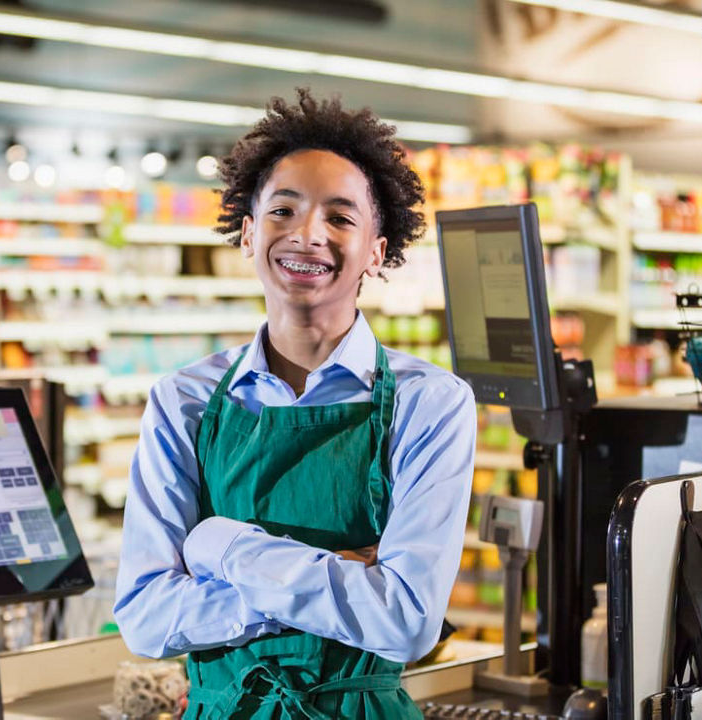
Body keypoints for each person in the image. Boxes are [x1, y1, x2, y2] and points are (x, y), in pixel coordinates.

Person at [113, 88, 476, 719]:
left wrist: (222, 549)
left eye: (340, 218)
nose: (308, 235)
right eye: (284, 211)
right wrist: (337, 580)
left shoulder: (431, 404)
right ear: (249, 233)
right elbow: (145, 618)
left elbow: (408, 621)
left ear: (376, 252)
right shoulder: (184, 402)